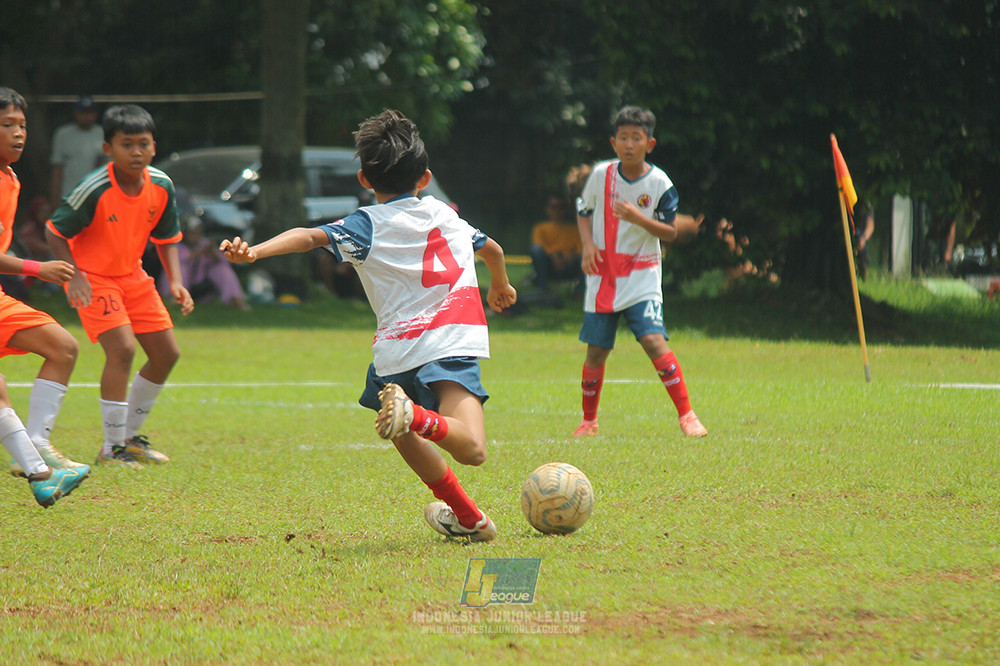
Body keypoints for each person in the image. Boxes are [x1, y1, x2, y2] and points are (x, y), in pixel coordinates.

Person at [221, 109, 517, 542]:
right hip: (449, 344)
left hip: (395, 353)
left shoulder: (365, 224)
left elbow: (308, 236)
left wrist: (255, 253)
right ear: (425, 177)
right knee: (471, 448)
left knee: (400, 432)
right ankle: (417, 417)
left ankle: (470, 519)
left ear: (364, 179)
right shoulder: (445, 215)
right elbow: (493, 249)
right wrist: (501, 286)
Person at [46, 104, 194, 469]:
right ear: (108, 148)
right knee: (123, 349)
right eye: (127, 144)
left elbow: (167, 237)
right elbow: (55, 232)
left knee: (166, 355)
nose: (137, 152)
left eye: (143, 144)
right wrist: (75, 276)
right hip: (93, 279)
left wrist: (175, 281)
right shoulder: (94, 188)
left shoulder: (161, 185)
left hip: (134, 277)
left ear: (154, 147)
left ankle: (128, 438)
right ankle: (112, 449)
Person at [573, 105, 707, 438]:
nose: (629, 144)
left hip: (642, 275)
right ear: (613, 141)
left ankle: (687, 416)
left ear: (650, 143)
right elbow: (583, 209)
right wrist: (588, 245)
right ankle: (588, 422)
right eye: (623, 137)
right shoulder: (601, 174)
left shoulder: (660, 182)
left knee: (653, 341)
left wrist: (637, 217)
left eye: (637, 138)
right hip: (603, 274)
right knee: (596, 350)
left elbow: (671, 232)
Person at [0, 87, 91, 481]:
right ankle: (36, 469)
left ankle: (35, 449)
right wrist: (39, 269)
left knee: (62, 347)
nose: (18, 133)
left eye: (22, 125)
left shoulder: (11, 180)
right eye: (7, 125)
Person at [162, 218, 249, 309]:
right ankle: (175, 297)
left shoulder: (205, 244)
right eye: (193, 233)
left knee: (221, 269)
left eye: (198, 233)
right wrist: (200, 252)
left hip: (203, 286)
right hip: (184, 283)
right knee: (181, 268)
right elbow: (184, 258)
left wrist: (213, 254)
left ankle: (236, 299)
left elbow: (225, 261)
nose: (196, 236)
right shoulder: (177, 246)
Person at [49, 95, 106, 206]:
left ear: (95, 114)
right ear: (76, 113)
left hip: (94, 195)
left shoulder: (102, 133)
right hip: (69, 195)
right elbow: (57, 169)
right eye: (83, 112)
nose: (86, 116)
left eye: (90, 113)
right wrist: (54, 200)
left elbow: (106, 167)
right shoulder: (63, 134)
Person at [528, 194, 583, 293]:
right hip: (549, 264)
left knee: (585, 256)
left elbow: (581, 250)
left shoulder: (575, 229)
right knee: (536, 250)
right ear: (548, 209)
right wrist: (554, 257)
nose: (557, 211)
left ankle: (580, 291)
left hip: (569, 264)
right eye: (553, 207)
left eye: (560, 207)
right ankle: (543, 288)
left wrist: (567, 257)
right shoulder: (540, 228)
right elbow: (539, 247)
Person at [852, 200, 875, 279]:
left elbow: (870, 226)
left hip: (862, 236)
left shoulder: (867, 207)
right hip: (852, 234)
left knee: (863, 261)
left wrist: (863, 239)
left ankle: (864, 278)